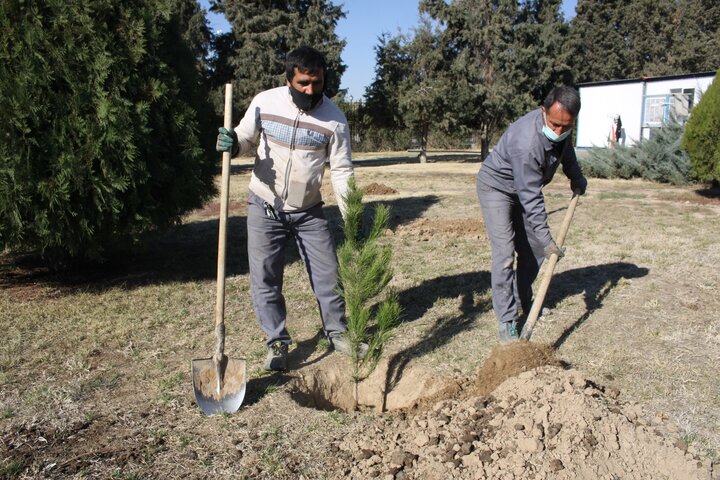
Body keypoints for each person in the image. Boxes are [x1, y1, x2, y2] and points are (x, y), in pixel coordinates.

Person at [215, 46, 363, 371]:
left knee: (328, 275)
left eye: (317, 83)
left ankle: (337, 333)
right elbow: (245, 137)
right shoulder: (265, 102)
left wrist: (350, 211)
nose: (311, 90)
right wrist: (233, 143)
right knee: (265, 278)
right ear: (289, 79)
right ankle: (277, 343)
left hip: (308, 210)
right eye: (303, 84)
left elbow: (341, 169)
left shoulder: (334, 120)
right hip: (264, 204)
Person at [476, 86, 588, 344]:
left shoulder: (562, 129)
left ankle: (523, 297)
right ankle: (506, 320)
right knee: (505, 253)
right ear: (543, 111)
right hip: (497, 188)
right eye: (554, 124)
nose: (559, 131)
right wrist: (547, 238)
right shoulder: (527, 143)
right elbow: (531, 197)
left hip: (521, 189)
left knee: (534, 249)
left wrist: (576, 176)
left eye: (566, 126)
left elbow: (566, 150)